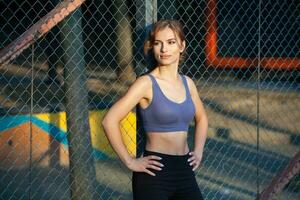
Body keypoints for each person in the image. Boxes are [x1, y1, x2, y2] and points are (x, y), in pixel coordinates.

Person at [102, 19, 208, 200]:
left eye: (171, 42)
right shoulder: (145, 83)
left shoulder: (187, 83)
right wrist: (129, 161)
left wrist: (198, 151)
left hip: (184, 169)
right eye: (158, 43)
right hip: (154, 172)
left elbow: (202, 119)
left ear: (182, 46)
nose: (164, 49)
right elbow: (109, 120)